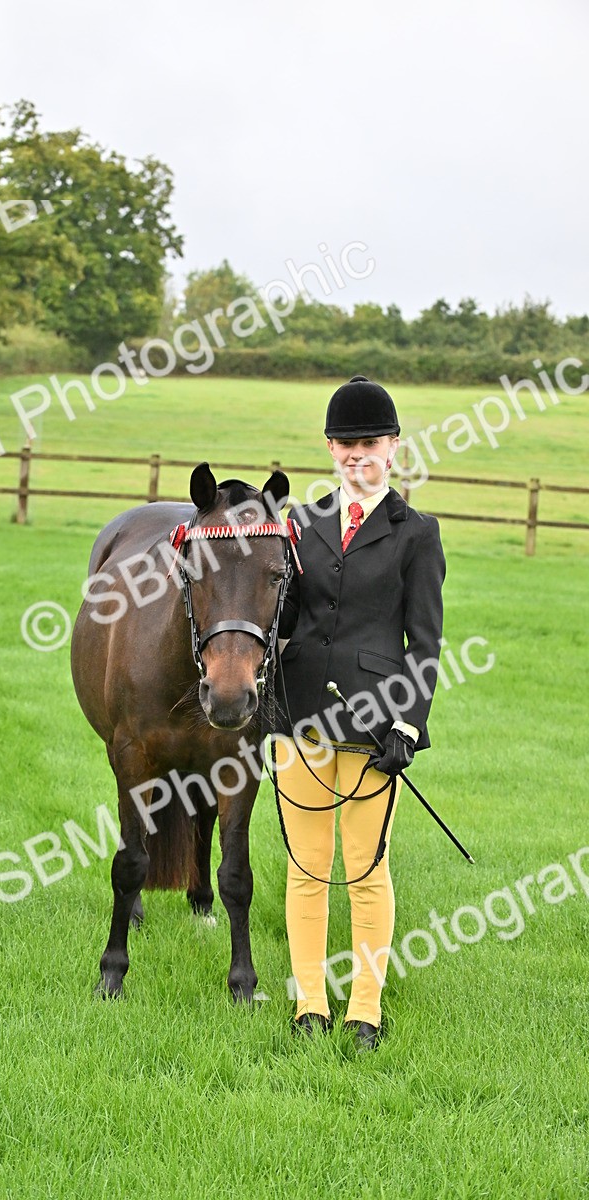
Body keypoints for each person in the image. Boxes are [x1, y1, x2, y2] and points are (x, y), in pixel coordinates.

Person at [274, 374, 446, 1050]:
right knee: (306, 868)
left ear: (393, 446)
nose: (357, 454)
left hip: (376, 725)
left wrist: (408, 724)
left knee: (366, 872)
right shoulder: (301, 524)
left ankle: (365, 1009)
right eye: (345, 443)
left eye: (369, 442)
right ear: (329, 448)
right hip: (300, 715)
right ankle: (309, 1004)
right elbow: (283, 618)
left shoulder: (417, 533)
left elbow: (425, 643)